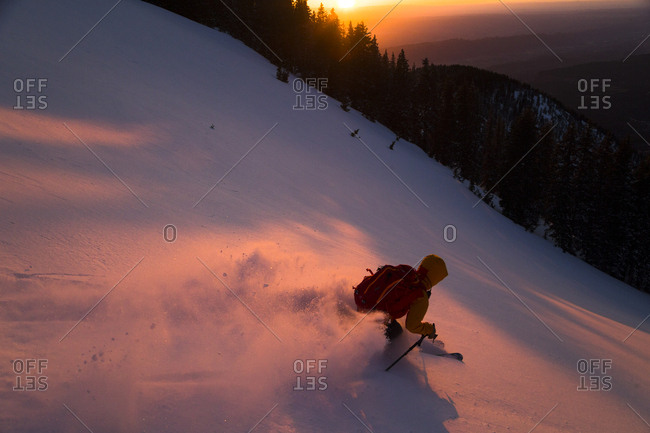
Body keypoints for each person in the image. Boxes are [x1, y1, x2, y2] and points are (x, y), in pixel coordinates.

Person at [384, 254, 448, 341]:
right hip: (379, 320)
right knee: (398, 332)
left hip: (363, 302)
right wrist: (429, 330)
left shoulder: (406, 274)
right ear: (436, 278)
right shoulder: (420, 294)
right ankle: (385, 353)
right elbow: (412, 326)